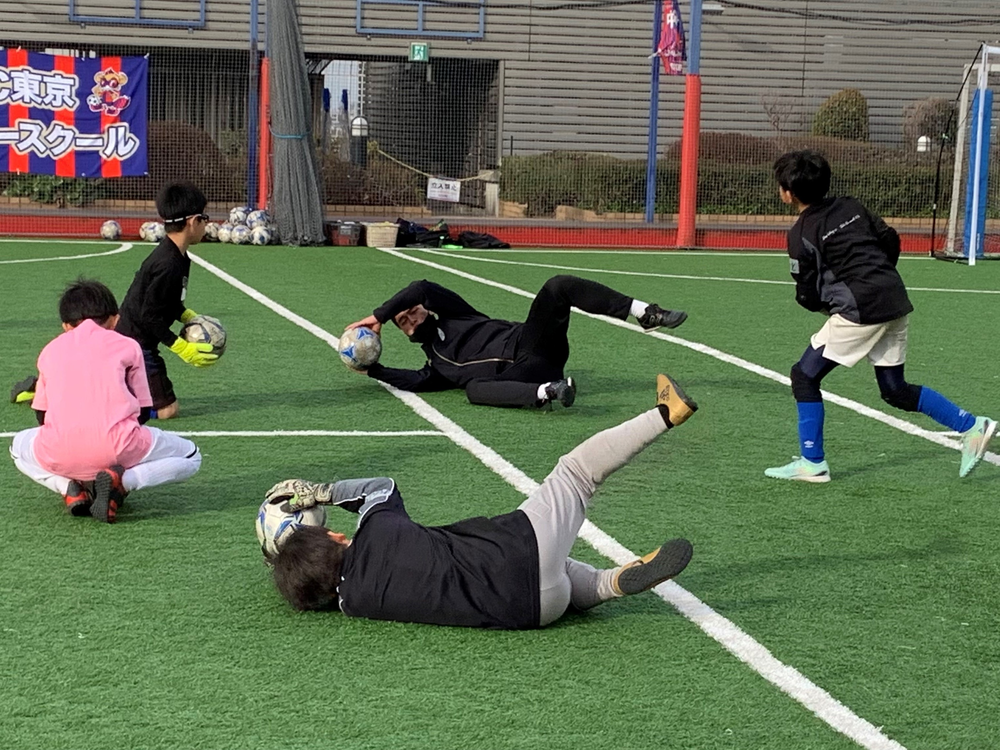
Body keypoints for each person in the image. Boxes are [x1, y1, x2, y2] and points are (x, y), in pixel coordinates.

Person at [264, 373, 697, 629]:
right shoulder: (376, 532)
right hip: (519, 554)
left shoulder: (355, 605)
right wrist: (322, 493)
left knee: (559, 572)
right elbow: (382, 487)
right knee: (576, 472)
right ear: (337, 536)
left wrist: (294, 568)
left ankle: (609, 584)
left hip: (532, 612)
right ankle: (666, 412)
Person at [765, 150, 996, 482]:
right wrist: (880, 279)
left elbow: (807, 293)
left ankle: (812, 462)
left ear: (789, 193)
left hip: (861, 311)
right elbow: (890, 239)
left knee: (804, 376)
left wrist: (833, 306)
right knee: (894, 390)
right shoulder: (850, 205)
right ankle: (973, 426)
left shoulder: (800, 234)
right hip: (894, 298)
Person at [9, 279, 203, 523]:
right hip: (119, 445)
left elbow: (41, 416)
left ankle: (68, 487)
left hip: (58, 449)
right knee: (192, 456)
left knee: (17, 447)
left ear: (66, 325)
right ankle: (123, 482)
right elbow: (144, 410)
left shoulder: (49, 350)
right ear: (115, 319)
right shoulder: (128, 346)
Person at [344, 275, 688, 409]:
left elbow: (421, 287)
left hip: (532, 343)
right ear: (405, 334)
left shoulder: (455, 314)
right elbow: (413, 381)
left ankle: (643, 312)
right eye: (404, 322)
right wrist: (372, 370)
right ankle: (550, 392)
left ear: (425, 309)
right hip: (524, 377)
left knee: (556, 287)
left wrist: (380, 316)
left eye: (413, 312)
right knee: (473, 389)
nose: (412, 320)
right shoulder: (437, 367)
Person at [115, 180, 219, 420]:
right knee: (167, 411)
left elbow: (167, 301)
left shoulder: (178, 256)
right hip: (136, 345)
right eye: (205, 218)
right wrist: (181, 347)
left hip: (138, 339)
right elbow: (149, 316)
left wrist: (187, 316)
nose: (206, 224)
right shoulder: (168, 264)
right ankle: (117, 405)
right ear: (193, 221)